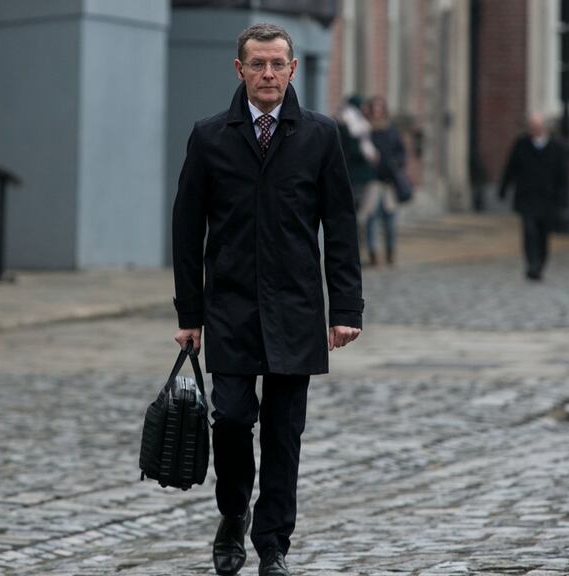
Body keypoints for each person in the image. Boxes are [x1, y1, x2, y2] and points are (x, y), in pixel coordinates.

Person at [171, 23, 364, 576]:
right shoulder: (210, 136)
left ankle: (273, 543)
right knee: (230, 419)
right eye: (257, 64)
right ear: (240, 70)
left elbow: (341, 225)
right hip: (230, 307)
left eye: (278, 64)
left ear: (293, 69)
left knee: (284, 433)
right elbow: (187, 231)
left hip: (297, 307)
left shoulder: (320, 135)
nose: (268, 74)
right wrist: (190, 314)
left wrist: (346, 309)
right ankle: (233, 514)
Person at [498, 112, 569, 281]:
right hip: (527, 197)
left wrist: (563, 200)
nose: (534, 130)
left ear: (544, 128)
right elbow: (511, 168)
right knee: (529, 231)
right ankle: (532, 263)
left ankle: (540, 263)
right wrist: (503, 189)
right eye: (532, 127)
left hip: (548, 198)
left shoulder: (556, 147)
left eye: (537, 127)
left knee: (543, 234)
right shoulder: (521, 144)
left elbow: (563, 176)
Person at [360, 96, 407, 267]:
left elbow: (401, 153)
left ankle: (390, 251)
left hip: (388, 184)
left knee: (390, 221)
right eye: (375, 108)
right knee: (371, 219)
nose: (378, 112)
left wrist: (395, 164)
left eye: (381, 108)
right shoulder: (366, 131)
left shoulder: (392, 131)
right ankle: (373, 253)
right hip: (373, 183)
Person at [335, 95, 378, 213]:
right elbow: (352, 148)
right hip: (354, 173)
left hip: (361, 174)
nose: (365, 109)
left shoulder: (360, 123)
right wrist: (367, 155)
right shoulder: (347, 124)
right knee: (354, 209)